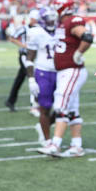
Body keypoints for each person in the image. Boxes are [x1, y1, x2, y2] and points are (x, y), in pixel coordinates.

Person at [37, 0, 92, 158]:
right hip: (65, 71)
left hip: (72, 70)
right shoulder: (62, 23)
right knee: (72, 109)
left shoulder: (72, 21)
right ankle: (77, 145)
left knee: (61, 105)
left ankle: (55, 144)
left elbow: (87, 37)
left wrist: (79, 53)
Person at [27, 8, 59, 146]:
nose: (51, 21)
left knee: (62, 109)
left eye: (53, 18)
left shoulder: (61, 31)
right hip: (43, 73)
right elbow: (29, 58)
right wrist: (31, 79)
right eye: (48, 18)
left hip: (61, 72)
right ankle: (47, 141)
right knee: (45, 108)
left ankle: (42, 127)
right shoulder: (35, 33)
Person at [5, 9, 39, 112]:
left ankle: (10, 101)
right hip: (25, 56)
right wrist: (24, 45)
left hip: (34, 56)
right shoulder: (24, 28)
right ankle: (34, 104)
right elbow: (12, 38)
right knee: (32, 78)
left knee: (19, 79)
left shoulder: (39, 29)